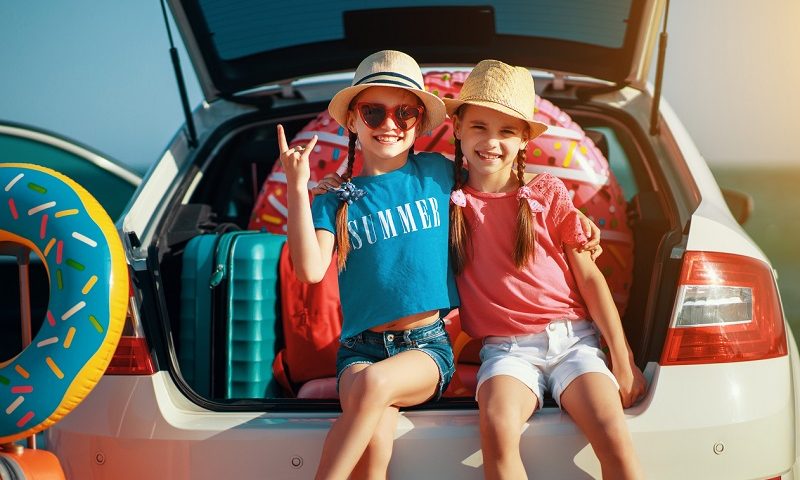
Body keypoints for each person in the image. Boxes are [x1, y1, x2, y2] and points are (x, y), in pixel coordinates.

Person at [446, 60, 647, 480]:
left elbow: (591, 280)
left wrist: (622, 359)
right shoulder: (447, 203)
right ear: (458, 129)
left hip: (574, 342)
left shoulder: (546, 193)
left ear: (523, 140)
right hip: (506, 352)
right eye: (479, 126)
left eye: (506, 132)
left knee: (614, 437)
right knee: (497, 430)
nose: (491, 142)